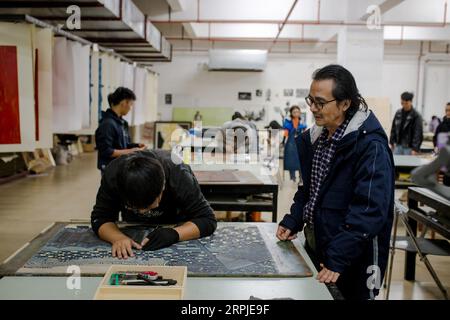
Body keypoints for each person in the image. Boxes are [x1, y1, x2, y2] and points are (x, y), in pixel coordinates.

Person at [277, 64, 394, 300]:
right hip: (320, 246)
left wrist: (338, 257)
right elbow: (310, 190)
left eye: (320, 103)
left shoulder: (370, 147)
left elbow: (369, 210)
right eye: (310, 100)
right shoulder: (318, 139)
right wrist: (294, 219)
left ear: (345, 104)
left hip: (353, 258)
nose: (312, 109)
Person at [91, 150, 217, 258]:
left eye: (149, 206)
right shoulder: (113, 176)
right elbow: (100, 217)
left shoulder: (178, 174)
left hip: (176, 223)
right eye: (134, 207)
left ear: (162, 189)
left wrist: (174, 234)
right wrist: (118, 238)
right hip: (134, 226)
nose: (143, 213)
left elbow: (207, 219)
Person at [95, 87, 146, 172]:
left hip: (121, 165)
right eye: (131, 104)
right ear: (124, 102)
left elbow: (124, 145)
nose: (130, 108)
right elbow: (106, 151)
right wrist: (131, 151)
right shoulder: (107, 124)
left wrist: (136, 146)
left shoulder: (122, 123)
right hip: (110, 168)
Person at [283, 106, 307, 182]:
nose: (296, 113)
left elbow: (305, 132)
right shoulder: (288, 123)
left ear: (300, 113)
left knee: (301, 161)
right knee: (291, 161)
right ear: (291, 113)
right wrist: (283, 141)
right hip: (290, 144)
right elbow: (286, 133)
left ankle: (301, 177)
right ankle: (292, 178)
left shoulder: (302, 123)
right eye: (294, 112)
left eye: (298, 112)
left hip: (300, 143)